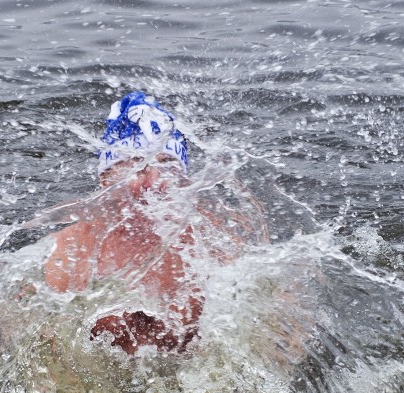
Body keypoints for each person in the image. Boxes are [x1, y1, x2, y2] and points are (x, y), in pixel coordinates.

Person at [42, 92, 268, 355]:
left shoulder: (216, 243)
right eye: (137, 167)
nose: (155, 183)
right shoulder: (67, 254)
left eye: (168, 166)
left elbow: (266, 328)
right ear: (105, 180)